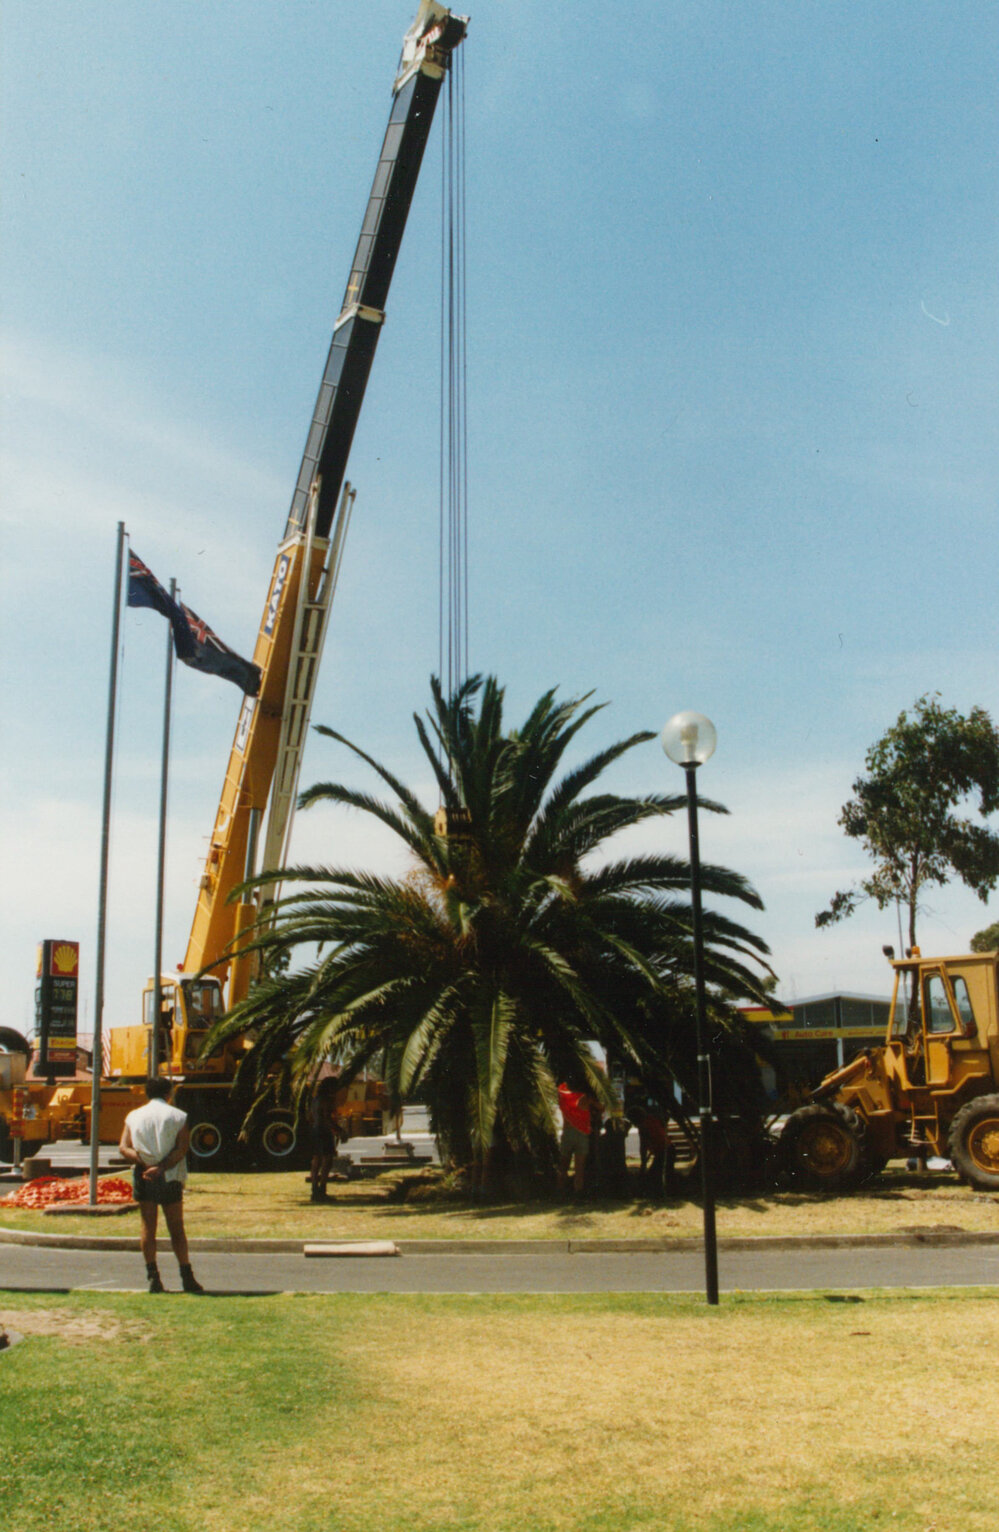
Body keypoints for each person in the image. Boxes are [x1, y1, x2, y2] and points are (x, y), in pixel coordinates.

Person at [119, 1077, 203, 1294]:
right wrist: (161, 1167)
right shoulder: (178, 1116)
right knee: (176, 1227)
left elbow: (124, 1147)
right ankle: (187, 1276)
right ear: (169, 1093)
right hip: (170, 1174)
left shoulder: (133, 1116)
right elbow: (182, 1148)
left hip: (143, 1174)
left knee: (148, 1226)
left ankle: (153, 1276)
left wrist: (144, 1163)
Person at [309, 1076, 343, 1203]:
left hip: (315, 1130)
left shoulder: (315, 1099)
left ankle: (314, 1190)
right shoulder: (326, 1100)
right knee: (327, 1160)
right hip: (323, 1132)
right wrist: (339, 1130)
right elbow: (326, 1119)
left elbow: (311, 1117)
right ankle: (322, 1190)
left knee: (316, 1160)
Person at [557, 1081, 594, 1195]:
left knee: (563, 1167)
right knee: (579, 1169)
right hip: (582, 1134)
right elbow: (601, 1107)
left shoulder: (563, 1098)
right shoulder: (585, 1098)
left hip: (568, 1133)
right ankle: (578, 1192)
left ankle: (560, 1191)